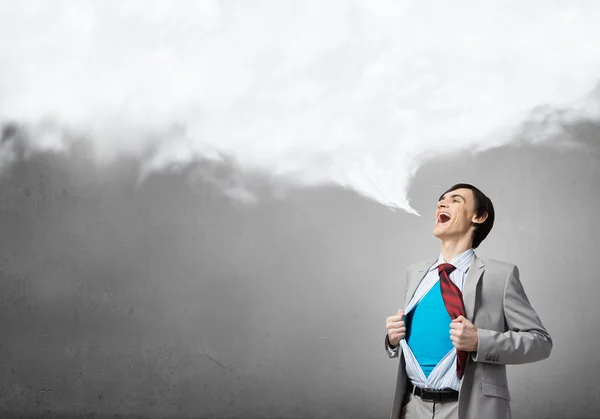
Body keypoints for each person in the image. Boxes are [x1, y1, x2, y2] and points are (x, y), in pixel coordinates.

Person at [384, 183, 552, 419]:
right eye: (441, 200)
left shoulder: (500, 275)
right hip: (412, 407)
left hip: (468, 410)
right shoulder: (416, 272)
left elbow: (541, 342)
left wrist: (479, 341)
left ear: (479, 216)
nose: (442, 203)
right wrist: (392, 340)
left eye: (455, 200)